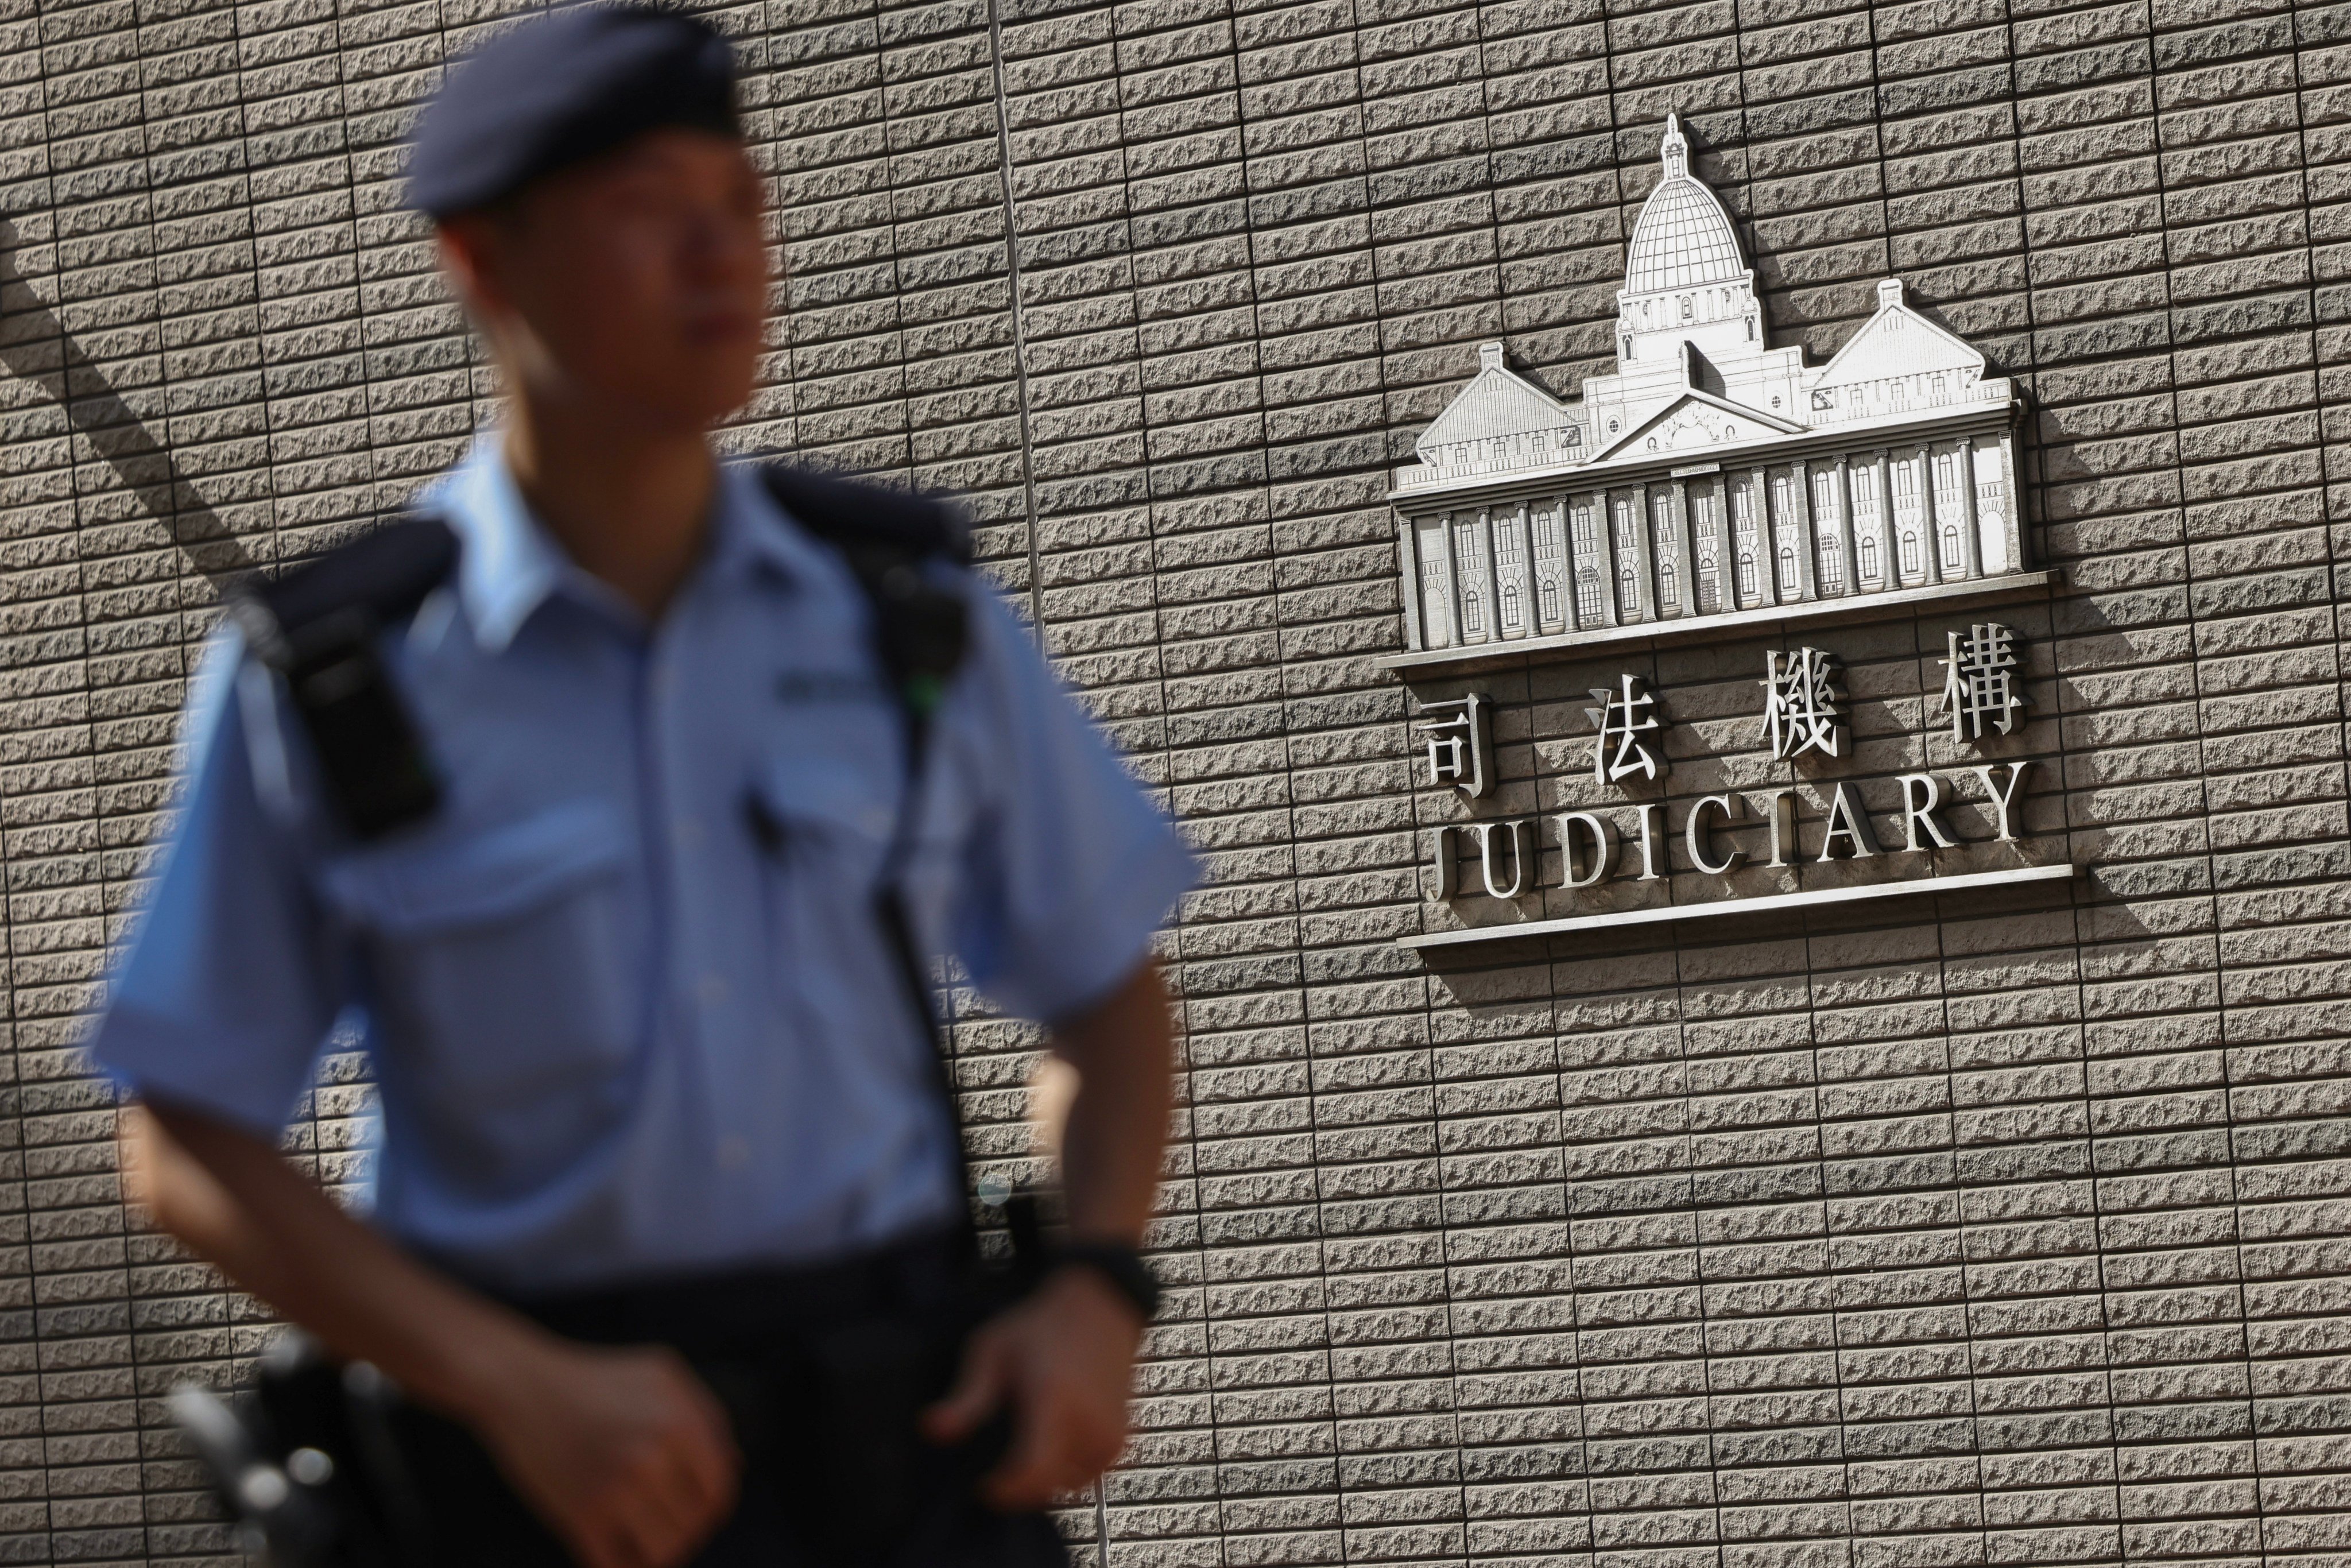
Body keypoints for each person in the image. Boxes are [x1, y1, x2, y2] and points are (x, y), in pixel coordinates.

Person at [87, 8, 1197, 1567]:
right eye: (650, 211)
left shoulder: (901, 616)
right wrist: (503, 1380)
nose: (724, 254)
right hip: (544, 1487)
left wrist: (1097, 1286)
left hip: (911, 1463)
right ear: (482, 259)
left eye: (740, 204)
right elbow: (186, 1138)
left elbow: (1107, 994)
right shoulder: (340, 676)